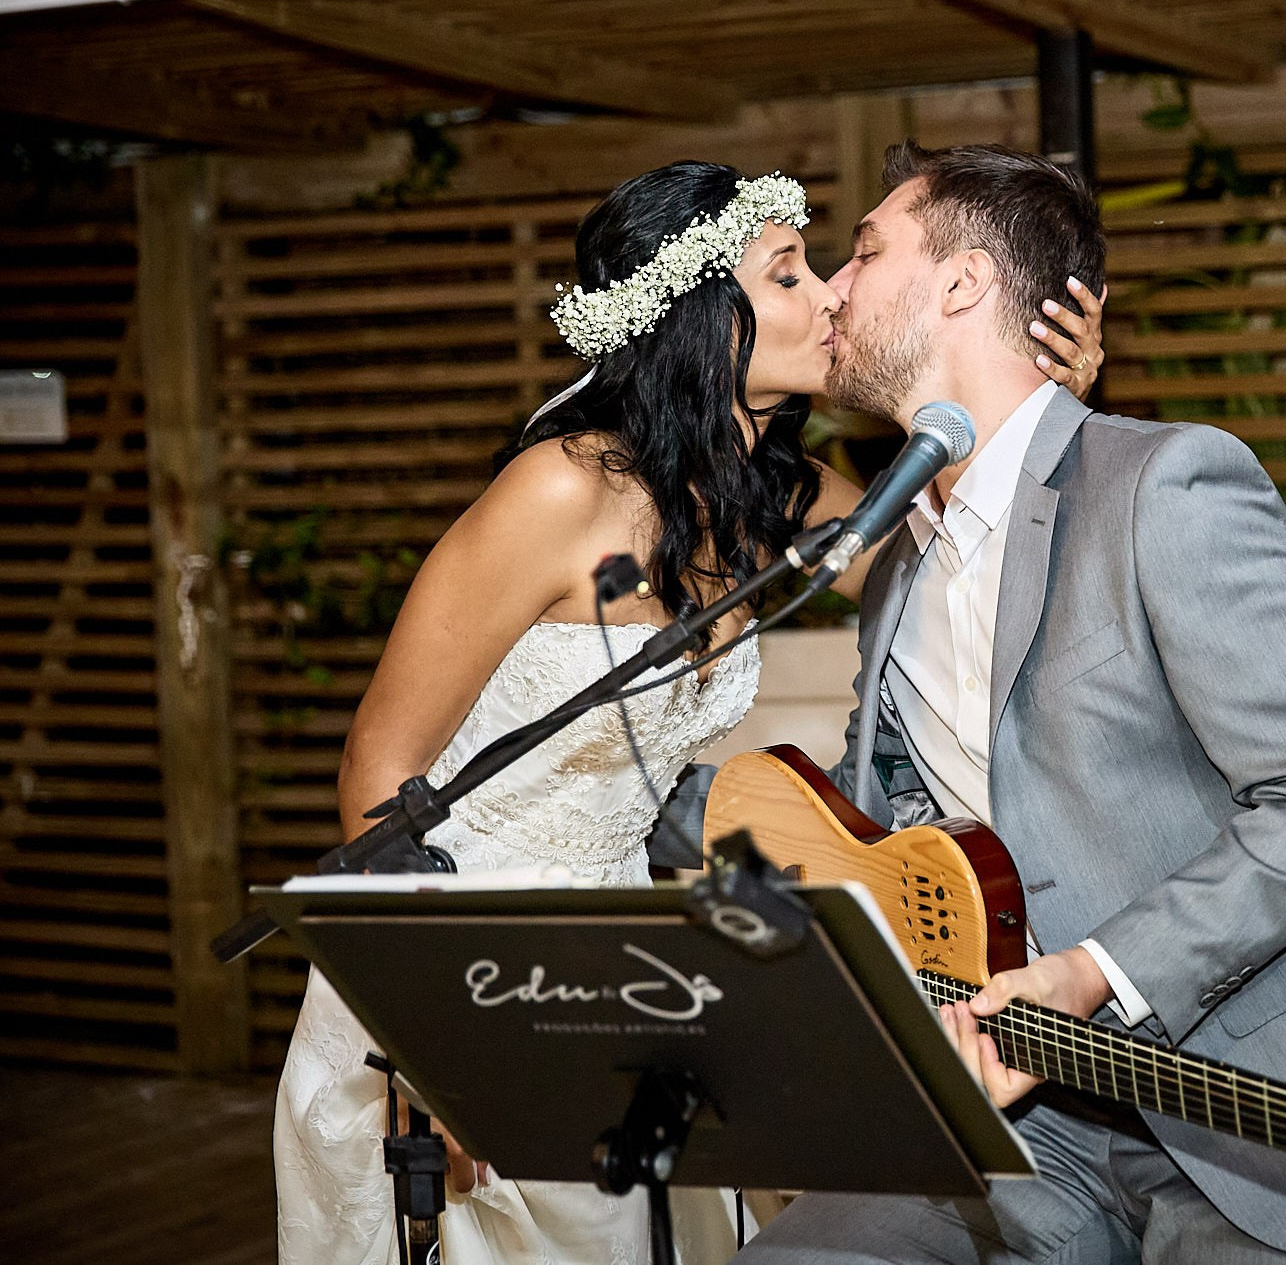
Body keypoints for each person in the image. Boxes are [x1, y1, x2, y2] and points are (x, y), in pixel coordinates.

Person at [272, 159, 1106, 1265]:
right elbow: (377, 774)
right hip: (460, 957)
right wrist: (430, 1035)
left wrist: (1047, 408)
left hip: (627, 954)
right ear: (700, 319)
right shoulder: (562, 491)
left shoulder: (777, 500)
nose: (829, 297)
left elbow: (984, 549)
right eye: (788, 274)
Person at [675, 142, 1286, 1263]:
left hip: (1250, 1107)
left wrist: (1090, 977)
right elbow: (872, 825)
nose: (833, 287)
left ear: (963, 283)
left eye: (864, 249)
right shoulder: (896, 563)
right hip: (1019, 1119)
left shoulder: (1165, 486)